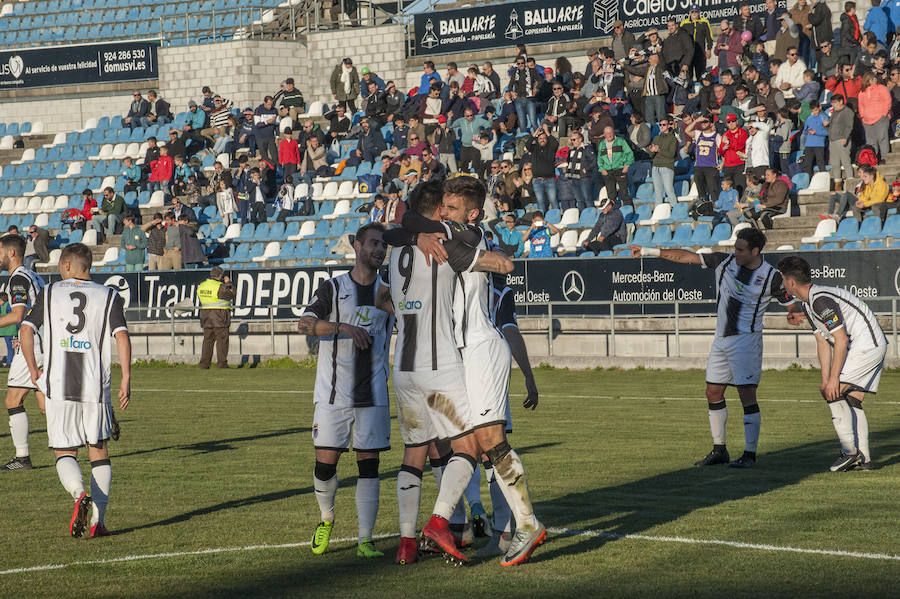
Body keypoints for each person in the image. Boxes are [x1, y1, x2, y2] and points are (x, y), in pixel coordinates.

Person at [375, 179, 542, 567]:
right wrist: (416, 238)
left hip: (480, 347)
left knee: (488, 441)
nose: (446, 214)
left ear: (469, 214)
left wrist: (417, 234)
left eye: (453, 208)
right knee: (480, 444)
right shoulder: (435, 237)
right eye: (444, 207)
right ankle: (494, 526)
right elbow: (402, 223)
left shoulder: (460, 234)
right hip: (457, 355)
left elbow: (404, 217)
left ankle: (524, 524)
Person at [629, 227, 794, 469]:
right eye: (735, 248)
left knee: (746, 395)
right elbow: (686, 256)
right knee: (713, 392)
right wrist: (649, 250)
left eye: (740, 249)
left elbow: (791, 303)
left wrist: (794, 313)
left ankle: (750, 454)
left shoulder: (771, 276)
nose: (735, 252)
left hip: (747, 342)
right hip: (721, 341)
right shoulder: (724, 261)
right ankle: (720, 450)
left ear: (755, 251)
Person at [19, 243, 131, 538]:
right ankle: (98, 522)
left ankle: (79, 494)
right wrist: (126, 377)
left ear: (67, 265)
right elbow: (121, 336)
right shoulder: (109, 295)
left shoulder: (50, 292)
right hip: (94, 387)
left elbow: (26, 329)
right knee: (99, 451)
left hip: (59, 385)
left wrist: (33, 370)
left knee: (64, 450)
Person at [297, 223, 392, 559]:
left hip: (374, 395)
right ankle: (327, 518)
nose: (379, 250)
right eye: (373, 243)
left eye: (383, 245)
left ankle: (366, 539)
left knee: (370, 466)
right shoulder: (333, 288)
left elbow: (413, 320)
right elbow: (304, 324)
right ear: (356, 246)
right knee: (326, 465)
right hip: (333, 394)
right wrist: (342, 327)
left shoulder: (387, 293)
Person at [777, 256, 885, 471]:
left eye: (782, 278)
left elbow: (841, 339)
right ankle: (865, 460)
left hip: (866, 345)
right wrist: (826, 378)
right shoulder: (808, 303)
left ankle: (849, 452)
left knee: (834, 393)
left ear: (790, 282)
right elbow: (822, 341)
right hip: (865, 344)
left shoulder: (819, 300)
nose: (781, 284)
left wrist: (833, 380)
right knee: (849, 398)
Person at [0, 234, 46, 471]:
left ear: (11, 253)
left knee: (13, 399)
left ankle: (22, 457)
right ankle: (92, 428)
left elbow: (18, 315)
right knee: (45, 402)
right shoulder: (32, 274)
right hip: (41, 342)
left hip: (35, 345)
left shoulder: (18, 278)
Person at [196, 266, 235, 369]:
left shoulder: (202, 285)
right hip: (220, 316)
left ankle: (204, 364)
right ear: (220, 276)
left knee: (207, 341)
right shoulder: (221, 286)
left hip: (206, 317)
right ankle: (222, 364)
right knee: (222, 341)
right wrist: (228, 284)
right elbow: (232, 295)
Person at [597, 125, 635, 207]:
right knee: (611, 195)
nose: (610, 135)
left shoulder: (621, 141)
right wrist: (602, 169)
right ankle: (614, 212)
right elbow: (599, 159)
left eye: (611, 133)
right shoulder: (602, 144)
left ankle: (628, 210)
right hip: (608, 171)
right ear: (604, 135)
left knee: (624, 192)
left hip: (620, 169)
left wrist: (627, 166)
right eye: (607, 133)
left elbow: (629, 154)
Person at [649, 117, 678, 205]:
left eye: (664, 125)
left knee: (669, 191)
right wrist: (652, 151)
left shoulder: (673, 139)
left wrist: (659, 150)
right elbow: (651, 156)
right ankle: (658, 212)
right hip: (655, 167)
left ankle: (675, 209)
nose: (661, 126)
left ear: (669, 125)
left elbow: (671, 154)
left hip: (667, 167)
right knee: (658, 193)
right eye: (660, 125)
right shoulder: (656, 138)